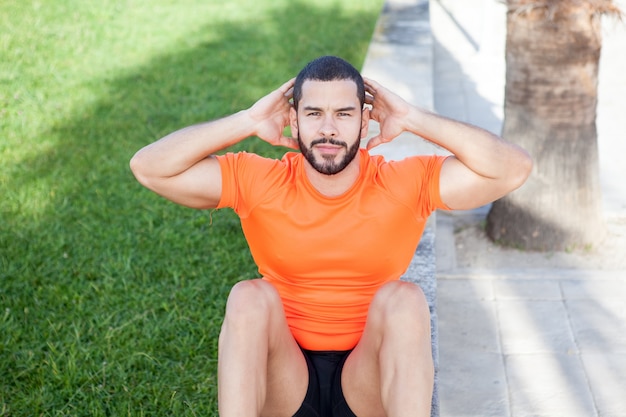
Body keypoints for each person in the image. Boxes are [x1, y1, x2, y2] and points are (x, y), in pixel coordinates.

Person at [130, 55, 532, 417]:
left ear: (364, 119)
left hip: (368, 379)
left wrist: (412, 117)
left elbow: (512, 169)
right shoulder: (260, 180)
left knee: (405, 300)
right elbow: (150, 167)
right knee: (248, 297)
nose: (327, 129)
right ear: (293, 119)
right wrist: (248, 122)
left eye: (343, 114)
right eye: (314, 113)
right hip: (285, 378)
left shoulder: (403, 182)